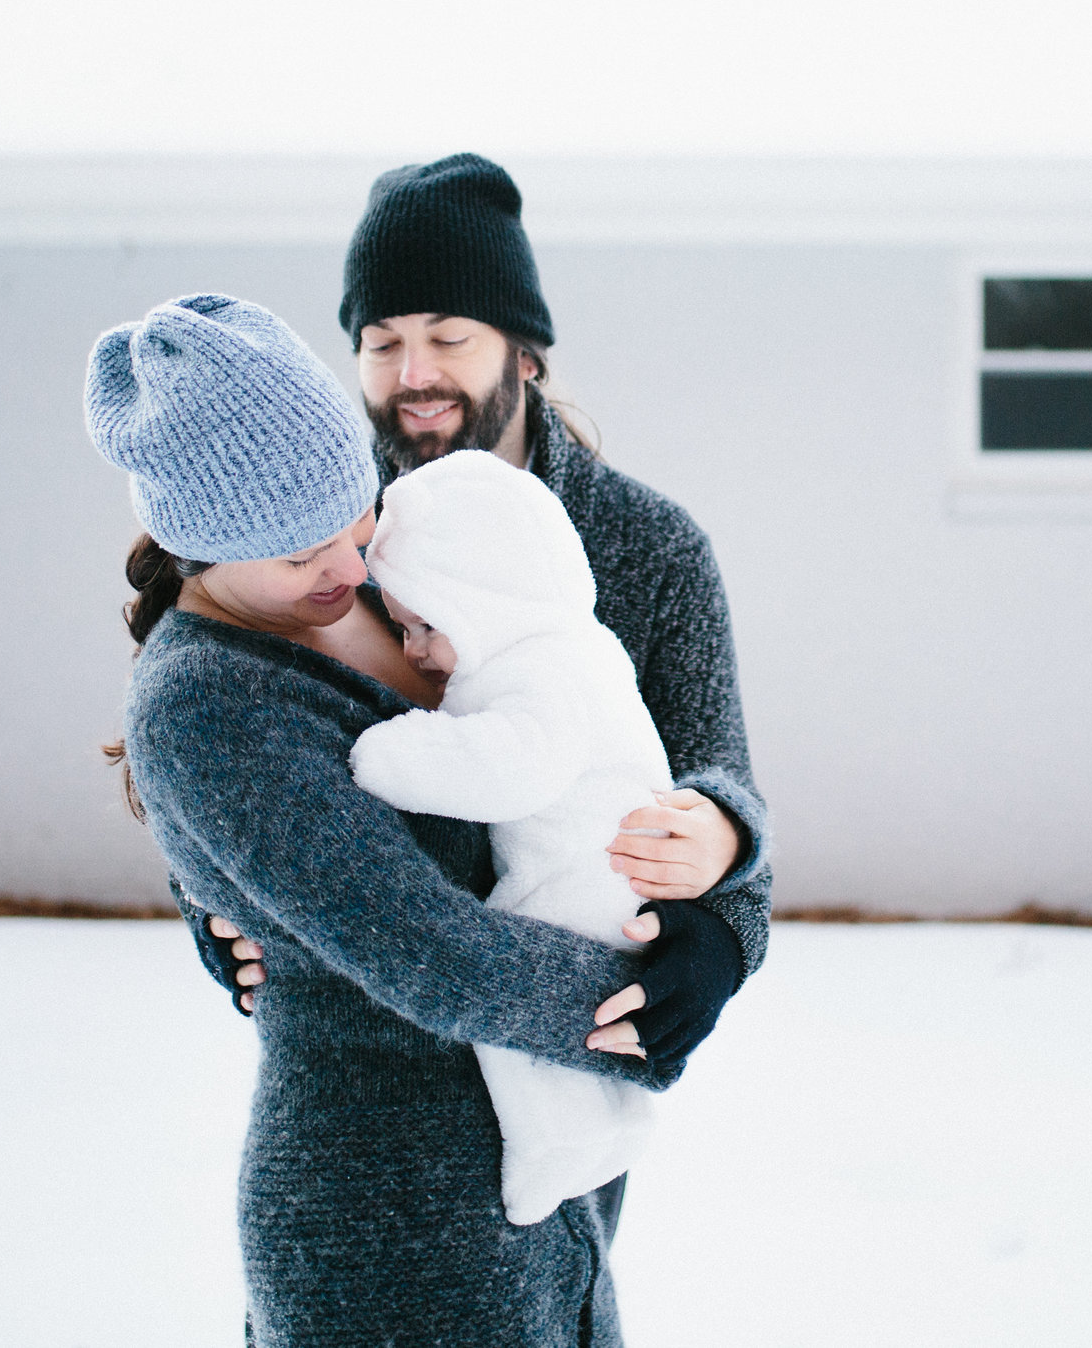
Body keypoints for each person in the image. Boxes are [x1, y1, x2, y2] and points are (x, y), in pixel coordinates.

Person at [86, 293, 741, 1346]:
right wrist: (637, 1007)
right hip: (397, 1222)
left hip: (538, 1176)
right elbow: (426, 952)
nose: (350, 573)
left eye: (357, 526)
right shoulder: (207, 702)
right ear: (195, 545)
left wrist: (713, 912)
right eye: (304, 557)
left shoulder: (396, 567)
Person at [186, 152, 771, 1028]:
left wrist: (722, 905)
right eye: (382, 343)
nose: (414, 374)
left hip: (572, 1007)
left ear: (525, 354)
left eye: (449, 336)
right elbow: (226, 722)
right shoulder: (327, 539)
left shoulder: (652, 546)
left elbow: (717, 769)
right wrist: (208, 893)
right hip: (371, 1039)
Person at [350, 448, 676, 1226]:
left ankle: (552, 1145)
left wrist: (390, 754)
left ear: (482, 597)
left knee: (504, 1009)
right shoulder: (573, 647)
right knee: (579, 1024)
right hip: (608, 876)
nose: (415, 650)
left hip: (587, 877)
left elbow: (509, 769)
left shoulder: (541, 671)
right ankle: (609, 1121)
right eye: (402, 628)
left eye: (426, 623)